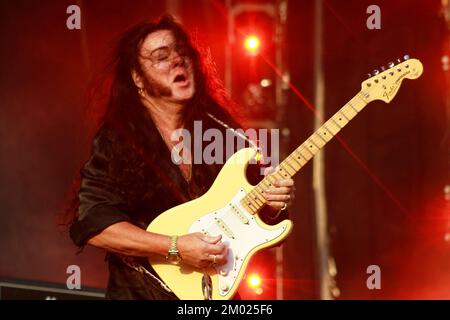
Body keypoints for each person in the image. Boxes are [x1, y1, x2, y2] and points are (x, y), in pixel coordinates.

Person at [68, 15, 295, 300]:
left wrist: (273, 204)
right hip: (141, 294)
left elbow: (257, 223)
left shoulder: (224, 134)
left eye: (182, 52)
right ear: (137, 78)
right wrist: (175, 247)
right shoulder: (118, 141)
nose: (178, 60)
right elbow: (95, 224)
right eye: (161, 56)